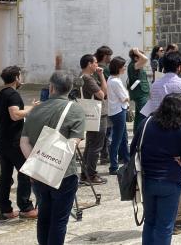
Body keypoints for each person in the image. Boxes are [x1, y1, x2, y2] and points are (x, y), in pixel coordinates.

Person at [20, 71, 86, 245]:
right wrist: (56, 162)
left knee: (44, 216)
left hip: (38, 171)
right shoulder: (75, 109)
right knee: (59, 220)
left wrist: (34, 167)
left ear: (51, 88)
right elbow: (74, 143)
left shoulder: (35, 110)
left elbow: (24, 142)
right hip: (63, 172)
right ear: (70, 88)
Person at [131, 93, 181, 245]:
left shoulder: (147, 123)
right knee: (165, 226)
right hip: (170, 181)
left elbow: (132, 149)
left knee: (150, 222)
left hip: (147, 180)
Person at [141, 51, 181, 235]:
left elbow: (150, 108)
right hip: (179, 134)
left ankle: (160, 215)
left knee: (156, 173)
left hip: (156, 133)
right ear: (179, 66)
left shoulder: (155, 85)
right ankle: (178, 218)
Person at [0, 65, 37, 220]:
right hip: (13, 142)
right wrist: (32, 109)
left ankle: (5, 210)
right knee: (25, 172)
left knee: (5, 176)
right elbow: (15, 114)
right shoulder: (12, 95)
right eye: (20, 76)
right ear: (16, 78)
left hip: (1, 141)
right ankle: (25, 208)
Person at [78, 53, 108, 185]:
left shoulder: (80, 76)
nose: (97, 65)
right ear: (89, 64)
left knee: (91, 145)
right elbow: (102, 94)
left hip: (89, 114)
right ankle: (91, 174)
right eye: (95, 62)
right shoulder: (88, 79)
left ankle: (85, 174)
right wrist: (101, 76)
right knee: (96, 146)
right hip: (98, 114)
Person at [106, 57, 131, 175]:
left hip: (116, 110)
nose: (125, 68)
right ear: (119, 68)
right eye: (123, 66)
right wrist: (128, 95)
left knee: (123, 137)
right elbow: (124, 97)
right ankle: (113, 166)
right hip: (118, 111)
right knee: (117, 139)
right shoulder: (115, 81)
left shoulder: (112, 79)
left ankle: (127, 160)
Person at [128, 48, 152, 135]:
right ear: (136, 58)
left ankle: (137, 134)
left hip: (142, 93)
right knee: (146, 114)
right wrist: (137, 52)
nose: (143, 57)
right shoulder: (134, 65)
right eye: (140, 56)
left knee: (139, 116)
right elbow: (145, 59)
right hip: (140, 94)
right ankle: (143, 134)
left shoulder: (137, 65)